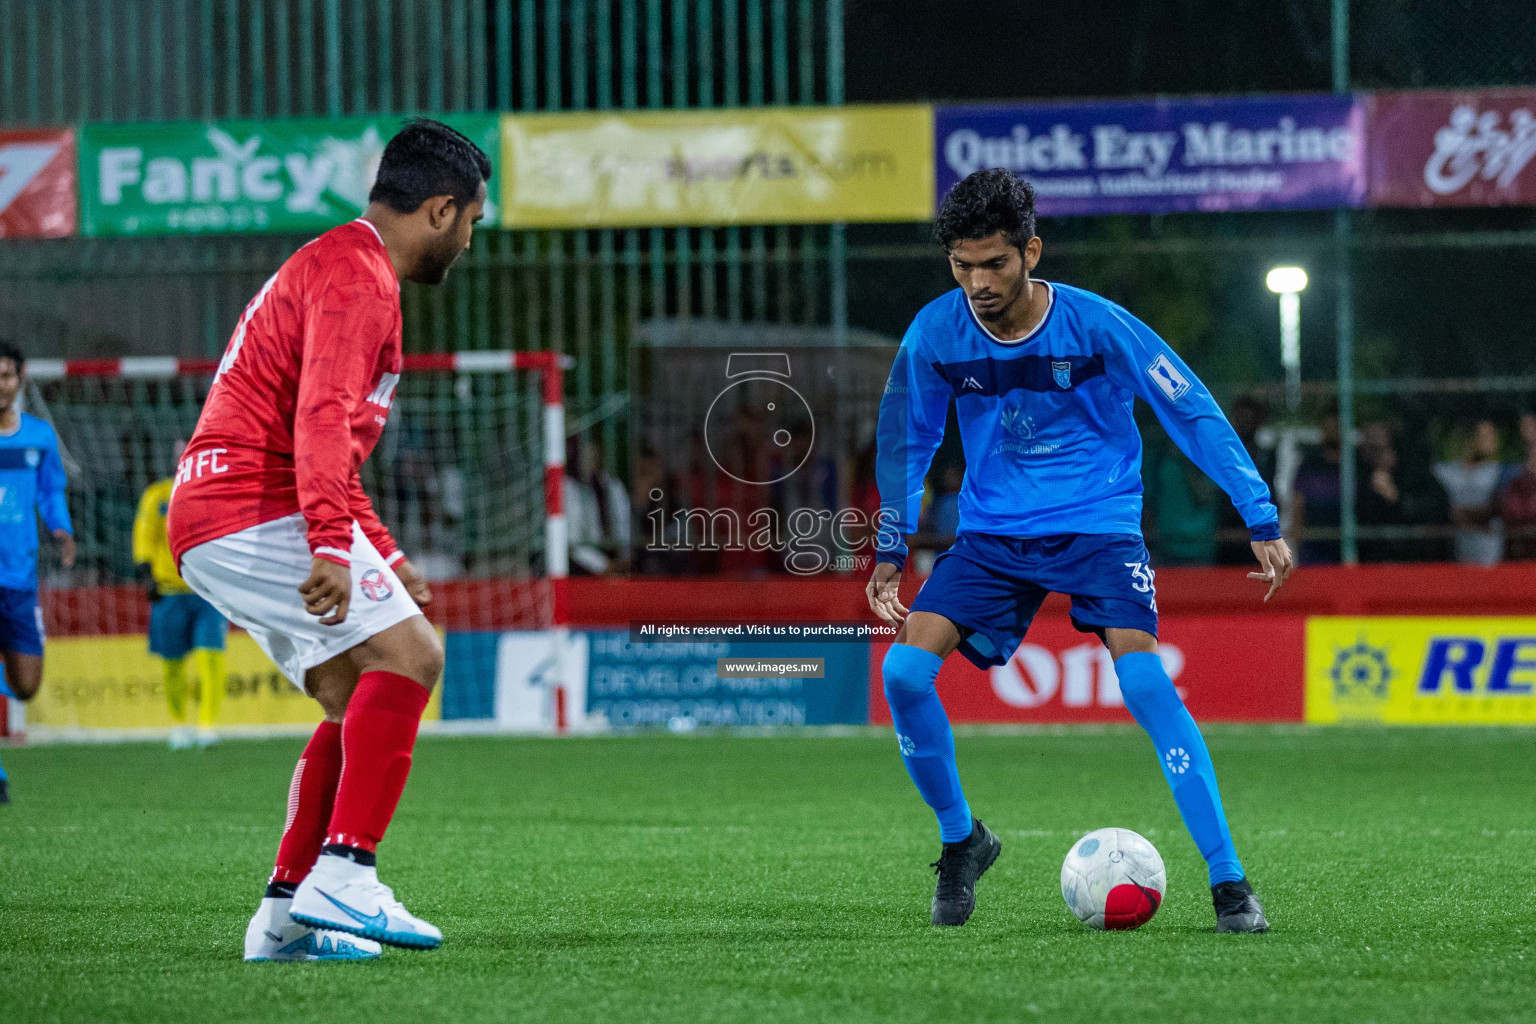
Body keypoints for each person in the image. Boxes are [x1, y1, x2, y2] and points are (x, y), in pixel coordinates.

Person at [866, 169, 1289, 934]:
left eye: (993, 263)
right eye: (962, 266)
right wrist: (891, 544)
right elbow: (908, 438)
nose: (978, 282)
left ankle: (1228, 881)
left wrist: (1257, 512)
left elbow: (1187, 407)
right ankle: (963, 840)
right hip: (992, 537)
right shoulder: (937, 332)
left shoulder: (1098, 326)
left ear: (1031, 251)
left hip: (1098, 529)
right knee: (901, 671)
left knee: (1147, 685)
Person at [167, 119, 490, 962]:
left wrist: (379, 548)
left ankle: (281, 919)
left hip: (217, 512)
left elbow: (331, 445)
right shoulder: (361, 279)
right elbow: (317, 420)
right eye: (472, 222)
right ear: (440, 209)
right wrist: (327, 546)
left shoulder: (338, 260)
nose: (469, 239)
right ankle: (347, 872)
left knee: (355, 701)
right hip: (251, 504)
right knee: (415, 657)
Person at [0, 340, 77, 805]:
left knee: (27, 685)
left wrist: (62, 531)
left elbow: (51, 492)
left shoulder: (38, 436)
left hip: (20, 579)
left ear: (20, 378)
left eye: (6, 375)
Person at [133, 443, 230, 749]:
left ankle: (207, 726)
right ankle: (179, 726)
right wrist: (146, 575)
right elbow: (144, 536)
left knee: (210, 656)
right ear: (176, 460)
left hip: (208, 593)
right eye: (181, 454)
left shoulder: (216, 494)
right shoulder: (157, 496)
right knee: (172, 663)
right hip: (169, 591)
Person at [1433, 419, 1505, 565]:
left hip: (1490, 558)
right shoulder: (1444, 473)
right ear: (1470, 439)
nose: (1492, 441)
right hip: (1456, 558)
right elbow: (1439, 511)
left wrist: (1461, 515)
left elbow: (1497, 509)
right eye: (1485, 436)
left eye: (1493, 435)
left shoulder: (1500, 472)